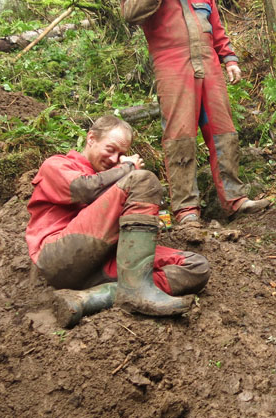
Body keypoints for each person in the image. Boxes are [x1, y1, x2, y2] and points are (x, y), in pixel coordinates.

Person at [121, 0, 265, 226]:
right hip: (172, 65)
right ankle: (186, 210)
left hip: (209, 65)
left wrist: (230, 59)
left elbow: (216, 25)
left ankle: (234, 200)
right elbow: (130, 13)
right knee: (180, 137)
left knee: (224, 131)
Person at [26, 115, 209, 328]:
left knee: (196, 267)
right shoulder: (57, 164)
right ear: (91, 138)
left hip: (100, 264)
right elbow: (85, 189)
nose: (115, 159)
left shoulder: (114, 180)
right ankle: (138, 290)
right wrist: (128, 169)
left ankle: (93, 298)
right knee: (143, 180)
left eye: (121, 154)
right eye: (110, 149)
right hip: (58, 257)